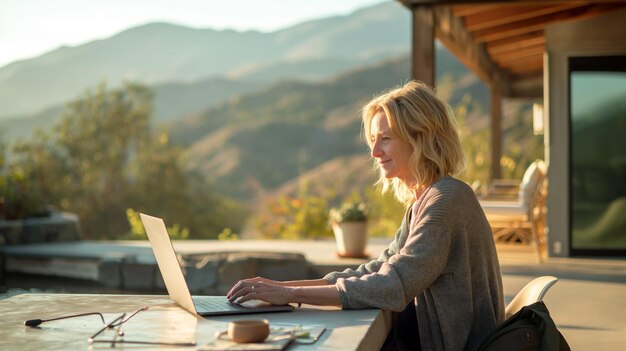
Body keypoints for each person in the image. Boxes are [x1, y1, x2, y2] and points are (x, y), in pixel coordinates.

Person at [227, 80, 505, 351]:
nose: (375, 152)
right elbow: (376, 269)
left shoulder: (446, 200)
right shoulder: (424, 200)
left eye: (385, 139)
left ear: (421, 137)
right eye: (373, 140)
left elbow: (391, 284)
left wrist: (290, 295)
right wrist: (281, 288)